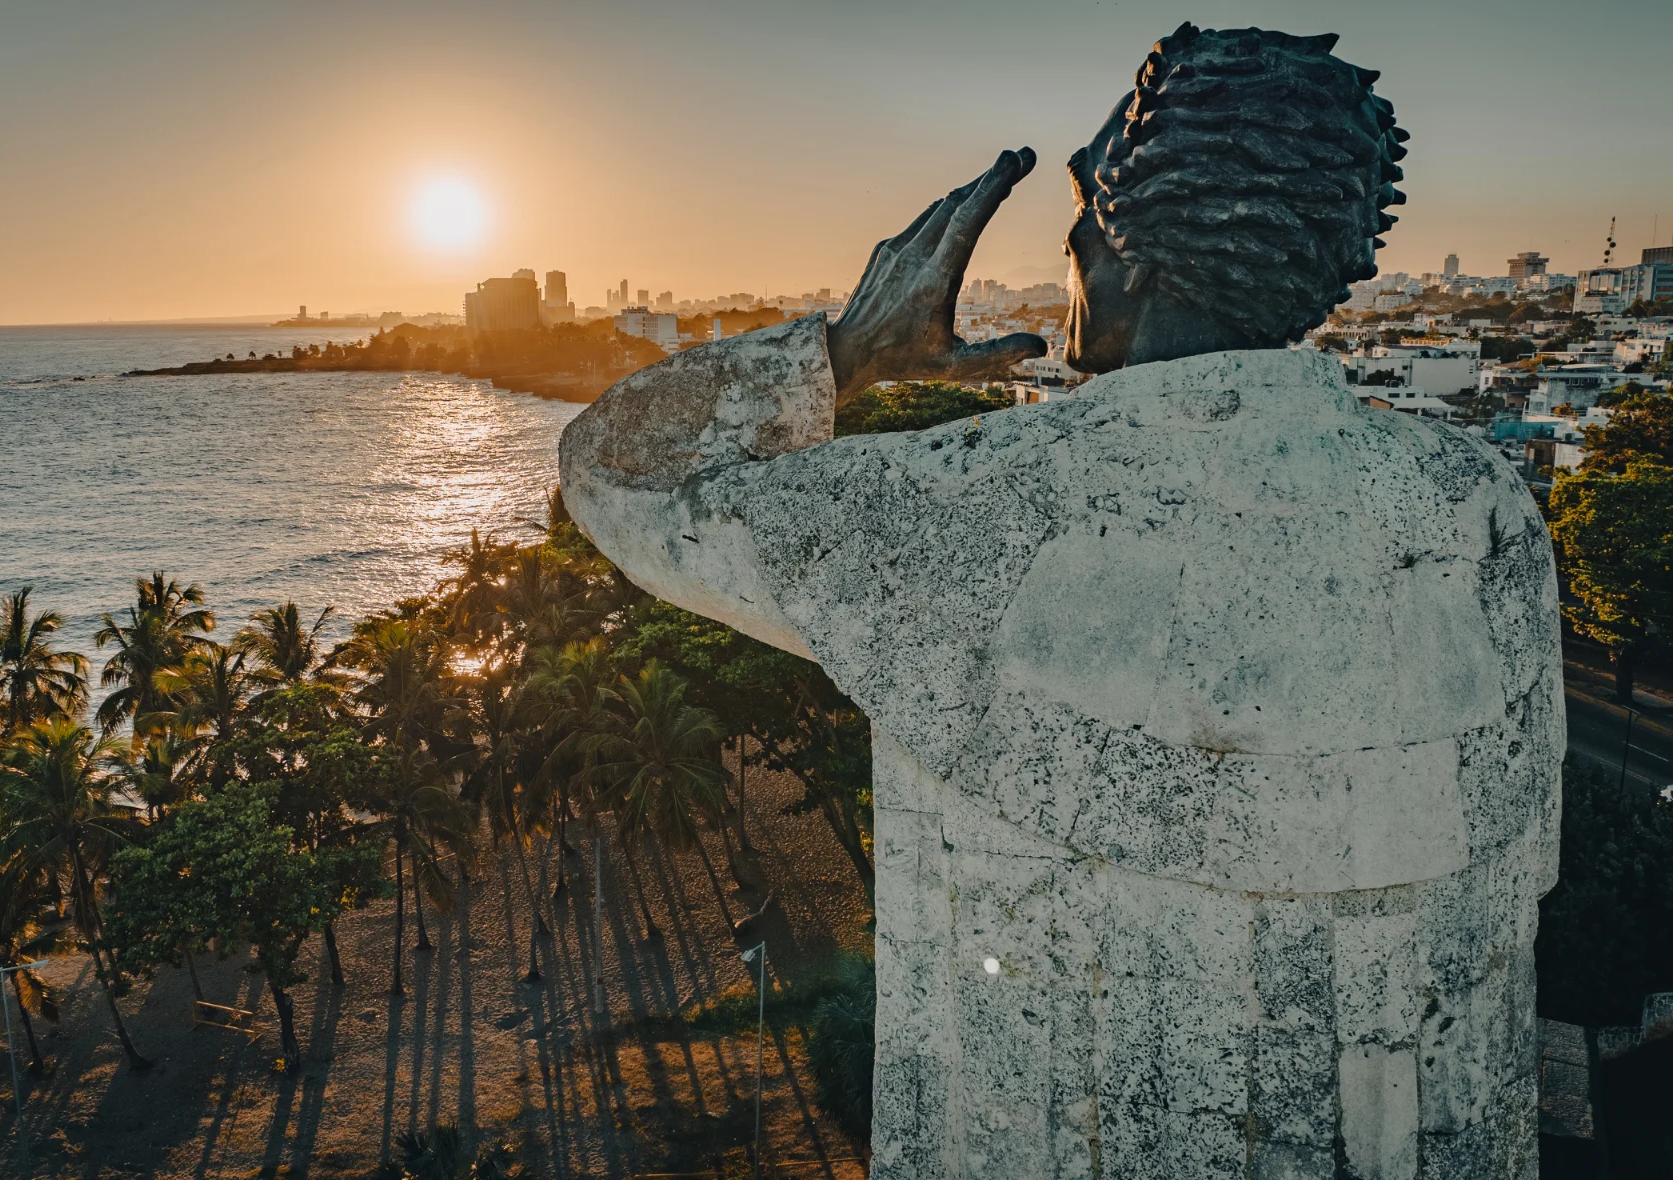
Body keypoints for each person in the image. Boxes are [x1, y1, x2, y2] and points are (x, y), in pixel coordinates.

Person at [560, 24, 1560, 1179]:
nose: (1076, 239)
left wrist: (842, 351)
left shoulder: (959, 512)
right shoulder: (1483, 520)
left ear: (1135, 244)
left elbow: (616, 470)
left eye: (1086, 208)